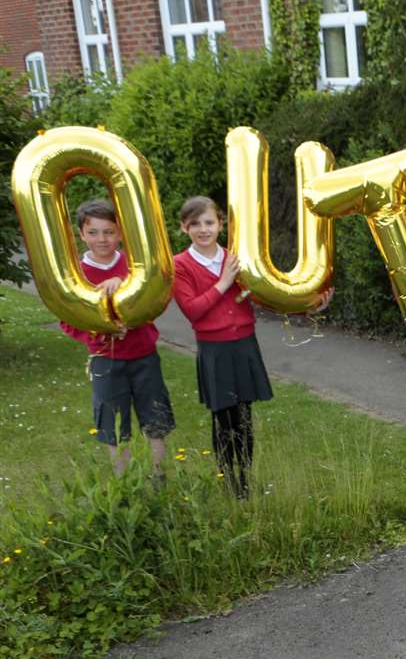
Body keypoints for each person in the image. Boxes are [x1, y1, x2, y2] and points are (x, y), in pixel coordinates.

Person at [58, 199, 174, 475]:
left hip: (145, 355)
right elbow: (68, 321)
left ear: (120, 232)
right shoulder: (77, 274)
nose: (102, 239)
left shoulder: (135, 265)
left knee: (156, 422)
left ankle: (158, 481)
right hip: (105, 360)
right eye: (94, 232)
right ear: (81, 234)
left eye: (109, 231)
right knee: (113, 428)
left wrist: (123, 287)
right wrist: (101, 328)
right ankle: (125, 487)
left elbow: (155, 299)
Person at [170, 195, 273, 499]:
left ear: (220, 225)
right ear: (184, 228)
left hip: (244, 345)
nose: (203, 230)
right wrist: (224, 282)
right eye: (195, 224)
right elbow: (192, 309)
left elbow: (264, 295)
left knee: (244, 418)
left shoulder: (235, 257)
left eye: (209, 222)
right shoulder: (180, 265)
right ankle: (230, 483)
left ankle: (246, 479)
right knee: (224, 420)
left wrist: (310, 305)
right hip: (215, 350)